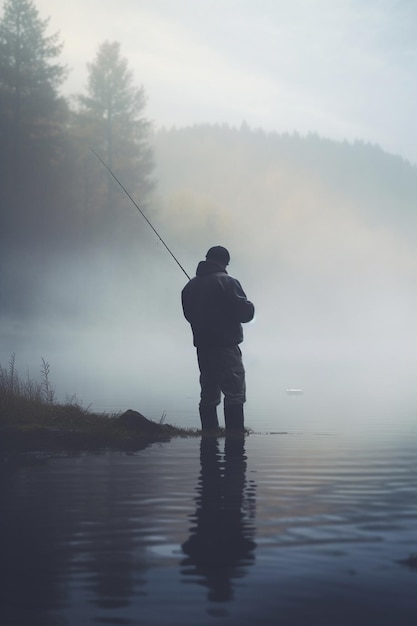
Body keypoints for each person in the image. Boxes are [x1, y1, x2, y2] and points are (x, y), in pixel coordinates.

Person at [181, 246, 255, 432]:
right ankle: (235, 441)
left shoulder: (189, 287)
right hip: (225, 347)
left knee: (208, 393)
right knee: (234, 393)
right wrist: (250, 306)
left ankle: (209, 438)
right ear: (225, 262)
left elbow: (189, 316)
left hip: (203, 348)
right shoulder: (228, 282)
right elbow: (245, 314)